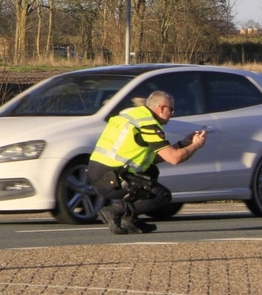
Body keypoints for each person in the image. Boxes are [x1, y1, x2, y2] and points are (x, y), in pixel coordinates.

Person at [88, 90, 206, 234]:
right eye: (171, 110)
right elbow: (174, 158)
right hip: (112, 179)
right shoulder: (148, 124)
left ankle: (129, 220)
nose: (172, 114)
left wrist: (183, 144)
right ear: (161, 108)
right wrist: (195, 145)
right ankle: (116, 211)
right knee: (162, 196)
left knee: (150, 171)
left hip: (101, 173)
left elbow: (155, 158)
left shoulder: (133, 115)